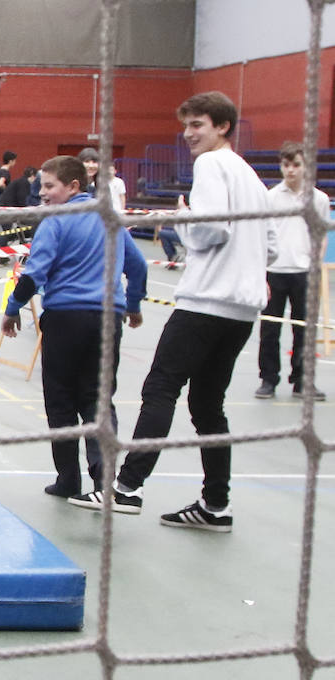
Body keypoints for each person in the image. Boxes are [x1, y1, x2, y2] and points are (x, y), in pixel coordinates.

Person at [70, 91, 278, 531]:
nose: (188, 135)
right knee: (208, 407)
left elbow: (211, 231)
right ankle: (215, 506)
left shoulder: (211, 165)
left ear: (222, 126)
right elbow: (271, 245)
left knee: (161, 387)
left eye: (198, 125)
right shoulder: (253, 178)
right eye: (186, 126)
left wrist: (184, 220)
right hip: (242, 310)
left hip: (205, 302)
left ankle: (125, 488)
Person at [1, 156, 147, 498]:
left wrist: (12, 309)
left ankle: (68, 478)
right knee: (98, 399)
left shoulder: (56, 220)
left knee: (61, 401)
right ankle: (103, 479)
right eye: (41, 186)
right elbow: (138, 267)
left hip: (65, 320)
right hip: (107, 320)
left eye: (50, 186)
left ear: (74, 186)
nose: (43, 193)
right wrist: (135, 305)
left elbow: (34, 274)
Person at [256, 140, 328, 401]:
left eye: (296, 165)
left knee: (304, 330)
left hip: (304, 273)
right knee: (270, 329)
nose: (291, 170)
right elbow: (262, 233)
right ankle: (268, 379)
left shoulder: (318, 199)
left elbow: (321, 234)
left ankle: (302, 382)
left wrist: (315, 263)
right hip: (275, 271)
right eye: (286, 165)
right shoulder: (271, 198)